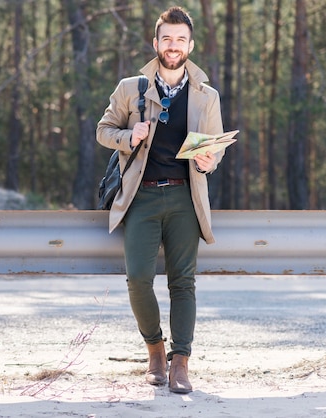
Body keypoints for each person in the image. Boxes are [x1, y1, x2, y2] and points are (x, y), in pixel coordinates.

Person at [96, 6, 225, 394]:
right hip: (142, 198)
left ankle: (181, 362)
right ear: (156, 43)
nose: (173, 46)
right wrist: (127, 136)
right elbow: (103, 130)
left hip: (186, 197)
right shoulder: (130, 88)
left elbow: (215, 151)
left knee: (183, 283)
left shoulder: (206, 95)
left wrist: (207, 161)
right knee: (137, 279)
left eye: (180, 39)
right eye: (166, 38)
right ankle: (155, 351)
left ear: (190, 45)